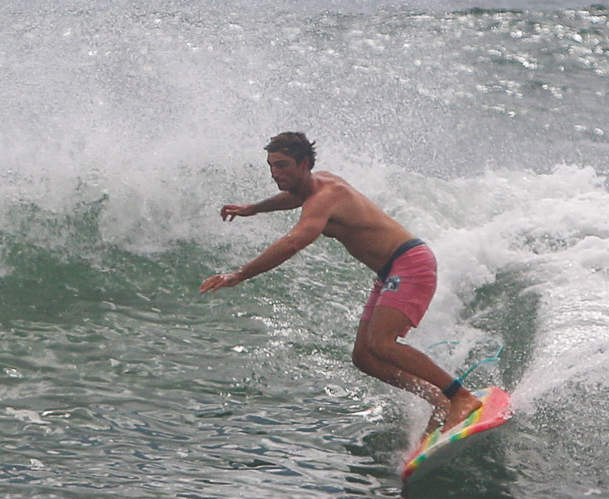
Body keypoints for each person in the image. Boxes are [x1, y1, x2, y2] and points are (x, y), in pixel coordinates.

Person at [201, 131, 481, 437]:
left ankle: (460, 396)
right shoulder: (316, 183)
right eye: (271, 166)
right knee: (364, 357)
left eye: (282, 165)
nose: (275, 173)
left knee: (381, 344)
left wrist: (240, 274)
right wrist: (253, 208)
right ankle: (437, 399)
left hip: (410, 264)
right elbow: (293, 196)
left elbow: (293, 242)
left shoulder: (325, 198)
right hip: (390, 270)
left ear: (304, 162)